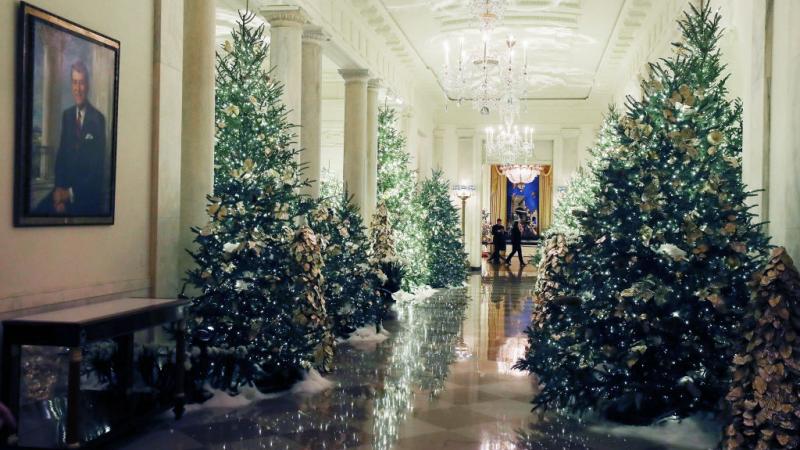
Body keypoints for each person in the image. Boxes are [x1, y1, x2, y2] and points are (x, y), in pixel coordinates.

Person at [39, 60, 107, 216]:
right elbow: (61, 157)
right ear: (71, 85)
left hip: (84, 197)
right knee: (38, 212)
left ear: (88, 85)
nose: (78, 89)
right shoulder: (67, 115)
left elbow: (96, 171)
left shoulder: (98, 119)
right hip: (62, 192)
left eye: (82, 83)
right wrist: (58, 193)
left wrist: (69, 194)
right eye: (75, 83)